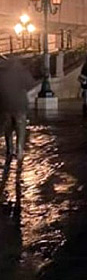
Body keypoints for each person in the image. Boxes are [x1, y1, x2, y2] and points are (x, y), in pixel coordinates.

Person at [0, 57, 35, 203]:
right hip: (20, 105)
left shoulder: (1, 72)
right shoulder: (21, 71)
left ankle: (10, 150)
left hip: (5, 107)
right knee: (21, 130)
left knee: (8, 130)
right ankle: (19, 152)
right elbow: (31, 84)